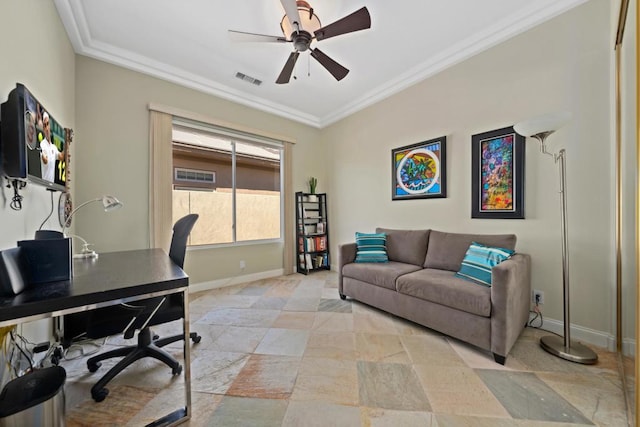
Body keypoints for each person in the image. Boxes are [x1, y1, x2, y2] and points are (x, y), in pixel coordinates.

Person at [39, 112, 64, 182]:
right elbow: (45, 160)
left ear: (50, 126)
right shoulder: (42, 144)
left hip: (52, 186)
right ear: (43, 129)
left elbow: (61, 157)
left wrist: (67, 145)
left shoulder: (54, 147)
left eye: (47, 124)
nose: (46, 128)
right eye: (44, 125)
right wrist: (44, 157)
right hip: (44, 186)